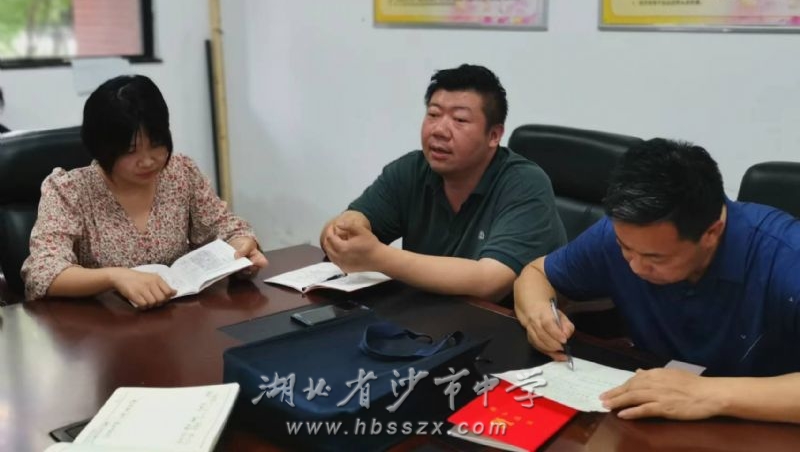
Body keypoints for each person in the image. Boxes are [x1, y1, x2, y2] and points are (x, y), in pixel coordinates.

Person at [514, 138, 800, 423]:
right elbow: (537, 274)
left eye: (656, 258)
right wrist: (539, 314)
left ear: (712, 233)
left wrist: (707, 392)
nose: (635, 266)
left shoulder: (786, 257)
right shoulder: (624, 234)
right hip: (658, 416)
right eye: (625, 248)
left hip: (765, 424)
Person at [320, 64, 566, 302]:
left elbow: (489, 282)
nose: (439, 130)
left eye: (459, 120)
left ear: (494, 135)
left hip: (500, 321)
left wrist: (377, 257)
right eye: (434, 114)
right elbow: (344, 227)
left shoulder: (524, 183)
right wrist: (346, 228)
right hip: (426, 314)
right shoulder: (412, 170)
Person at [21, 75, 267, 308]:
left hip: (180, 318)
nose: (148, 161)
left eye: (157, 145)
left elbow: (224, 226)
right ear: (102, 148)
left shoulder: (180, 172)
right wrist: (114, 277)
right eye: (131, 151)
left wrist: (242, 245)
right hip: (104, 325)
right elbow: (42, 272)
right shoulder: (69, 190)